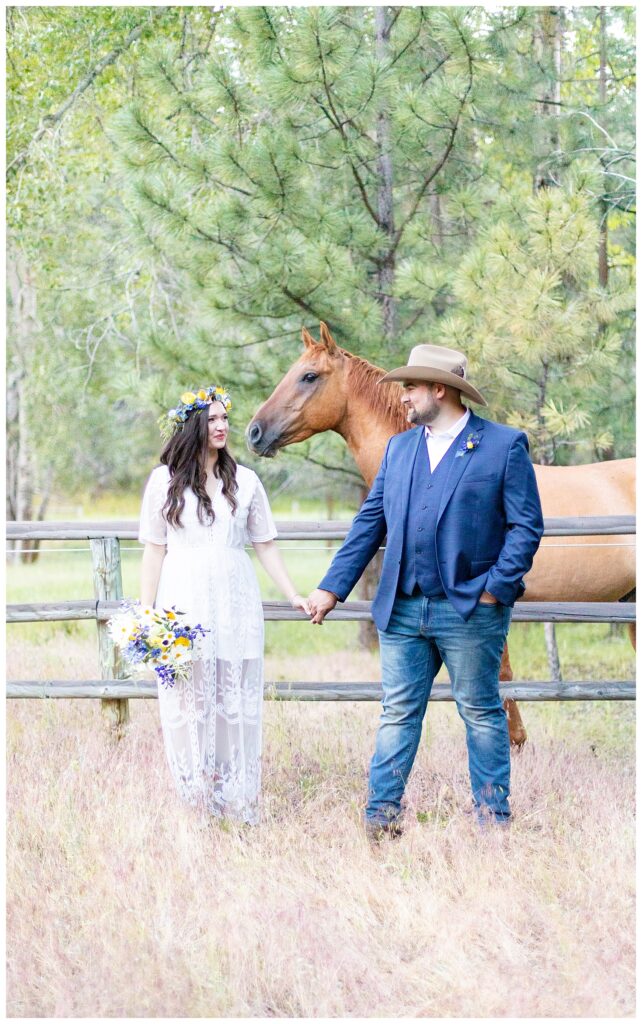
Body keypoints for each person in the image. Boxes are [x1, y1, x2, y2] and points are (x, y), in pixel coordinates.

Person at [307, 345, 544, 838]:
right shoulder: (401, 448)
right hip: (402, 608)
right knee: (397, 714)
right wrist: (332, 588)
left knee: (480, 713)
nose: (403, 395)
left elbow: (526, 527)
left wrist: (495, 590)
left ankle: (493, 823)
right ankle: (381, 819)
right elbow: (370, 522)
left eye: (411, 386)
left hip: (471, 610)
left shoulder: (503, 446)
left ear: (441, 390)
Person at [139, 385, 310, 824]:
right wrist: (147, 615)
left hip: (235, 600)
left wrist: (293, 593)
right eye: (212, 419)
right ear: (194, 425)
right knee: (190, 701)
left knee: (231, 700)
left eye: (224, 419)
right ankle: (196, 802)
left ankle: (235, 801)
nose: (222, 426)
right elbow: (154, 550)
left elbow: (266, 545)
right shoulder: (164, 482)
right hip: (184, 599)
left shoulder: (246, 481)